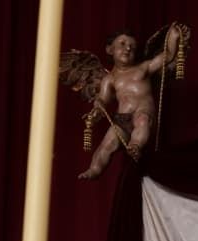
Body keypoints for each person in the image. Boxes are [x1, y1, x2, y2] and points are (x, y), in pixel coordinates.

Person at [78, 25, 185, 180]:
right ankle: (94, 169)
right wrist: (97, 108)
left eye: (132, 47)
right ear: (110, 49)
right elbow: (103, 99)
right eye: (122, 44)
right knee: (107, 144)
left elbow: (167, 55)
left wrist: (173, 37)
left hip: (143, 112)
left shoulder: (143, 68)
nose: (128, 48)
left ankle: (135, 145)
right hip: (122, 119)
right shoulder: (110, 79)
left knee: (142, 121)